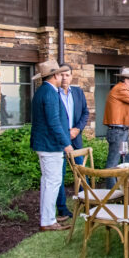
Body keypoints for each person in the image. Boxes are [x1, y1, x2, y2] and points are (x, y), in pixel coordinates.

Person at [29, 60, 73, 232]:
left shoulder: (44, 91)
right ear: (54, 75)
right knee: (52, 182)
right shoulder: (49, 93)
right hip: (50, 145)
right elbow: (53, 122)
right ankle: (47, 221)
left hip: (47, 144)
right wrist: (66, 144)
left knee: (49, 182)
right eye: (61, 74)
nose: (63, 76)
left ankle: (49, 217)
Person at [56, 65, 89, 222]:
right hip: (60, 139)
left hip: (75, 137)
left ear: (71, 76)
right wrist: (64, 133)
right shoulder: (53, 93)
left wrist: (77, 129)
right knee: (60, 174)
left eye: (67, 75)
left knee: (81, 170)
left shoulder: (78, 92)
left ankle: (90, 201)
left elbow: (85, 113)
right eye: (61, 75)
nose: (64, 78)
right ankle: (62, 209)